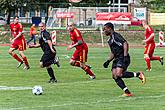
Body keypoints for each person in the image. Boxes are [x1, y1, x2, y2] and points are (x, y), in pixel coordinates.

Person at [103, 22, 146, 97]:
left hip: (122, 57)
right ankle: (127, 92)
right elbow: (113, 52)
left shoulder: (116, 36)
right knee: (114, 76)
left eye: (105, 29)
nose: (104, 31)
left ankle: (138, 74)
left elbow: (125, 43)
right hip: (117, 58)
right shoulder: (110, 40)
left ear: (110, 28)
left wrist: (125, 56)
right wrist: (108, 61)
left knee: (118, 74)